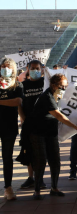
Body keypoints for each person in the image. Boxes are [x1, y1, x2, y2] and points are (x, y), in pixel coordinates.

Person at [29, 74, 77, 200]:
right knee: (41, 161)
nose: (64, 89)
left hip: (51, 132)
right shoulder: (47, 96)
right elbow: (59, 116)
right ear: (53, 85)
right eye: (62, 86)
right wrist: (76, 127)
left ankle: (54, 188)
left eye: (65, 86)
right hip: (38, 132)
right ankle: (37, 189)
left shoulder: (57, 96)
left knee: (55, 160)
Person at [18, 60, 47, 190]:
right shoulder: (22, 85)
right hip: (28, 124)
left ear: (41, 69)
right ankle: (31, 178)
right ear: (27, 69)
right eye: (33, 68)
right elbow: (19, 104)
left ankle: (39, 178)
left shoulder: (45, 83)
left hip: (43, 123)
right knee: (29, 151)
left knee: (41, 152)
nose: (35, 70)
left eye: (37, 68)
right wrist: (23, 118)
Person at [0, 58, 23, 200]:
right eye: (3, 66)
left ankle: (8, 188)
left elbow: (18, 102)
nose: (5, 68)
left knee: (7, 157)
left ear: (13, 69)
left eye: (8, 66)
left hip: (9, 126)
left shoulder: (17, 85)